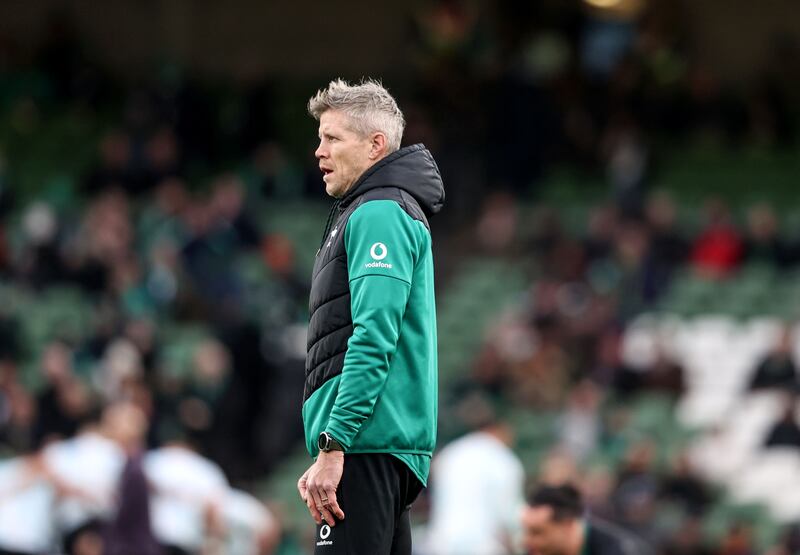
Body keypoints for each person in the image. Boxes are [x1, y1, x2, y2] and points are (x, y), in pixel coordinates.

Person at [296, 78, 444, 554]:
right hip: (376, 443)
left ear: (375, 145)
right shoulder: (371, 208)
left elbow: (374, 332)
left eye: (332, 138)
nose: (319, 150)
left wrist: (334, 441)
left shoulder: (380, 211)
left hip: (364, 443)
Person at [425, 403, 525, 555]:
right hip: (483, 547)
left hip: (440, 544)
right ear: (501, 428)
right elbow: (509, 515)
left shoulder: (450, 452)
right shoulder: (503, 458)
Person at [521, 484, 654, 555]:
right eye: (526, 531)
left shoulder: (619, 550)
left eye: (537, 532)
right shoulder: (538, 550)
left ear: (568, 524)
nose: (526, 542)